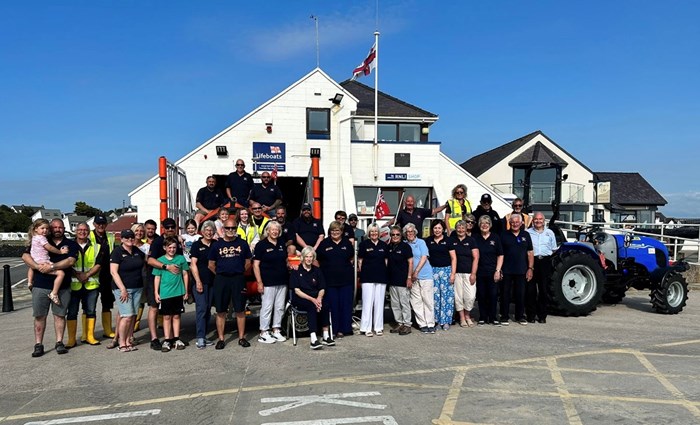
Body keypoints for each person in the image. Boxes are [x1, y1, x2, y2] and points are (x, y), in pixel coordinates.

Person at [22, 219, 78, 357]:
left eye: (60, 227)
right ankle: (38, 344)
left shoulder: (71, 244)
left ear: (64, 228)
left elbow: (70, 261)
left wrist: (51, 266)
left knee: (60, 316)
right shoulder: (40, 239)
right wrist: (37, 267)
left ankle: (59, 342)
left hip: (63, 287)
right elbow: (25, 255)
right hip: (40, 284)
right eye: (54, 227)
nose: (57, 229)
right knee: (39, 316)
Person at [208, 217, 253, 349]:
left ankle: (241, 338)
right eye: (227, 228)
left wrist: (238, 271)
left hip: (238, 279)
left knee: (240, 309)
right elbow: (211, 265)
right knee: (221, 310)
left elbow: (248, 261)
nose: (230, 230)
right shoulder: (217, 245)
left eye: (233, 228)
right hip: (221, 279)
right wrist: (222, 273)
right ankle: (221, 339)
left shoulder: (243, 243)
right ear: (223, 229)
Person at [146, 218, 183, 351]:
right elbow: (150, 260)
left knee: (173, 311)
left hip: (173, 282)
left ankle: (172, 338)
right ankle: (154, 338)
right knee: (154, 307)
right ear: (163, 228)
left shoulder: (177, 242)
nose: (170, 229)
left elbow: (180, 262)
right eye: (167, 227)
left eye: (172, 227)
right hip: (157, 278)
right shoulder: (157, 242)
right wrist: (165, 266)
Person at [66, 222, 103, 348]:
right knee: (72, 312)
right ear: (76, 231)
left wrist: (86, 275)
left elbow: (98, 264)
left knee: (90, 311)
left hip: (91, 285)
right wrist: (77, 274)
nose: (82, 232)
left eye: (85, 230)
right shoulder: (69, 245)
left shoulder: (97, 246)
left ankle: (90, 336)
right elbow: (65, 263)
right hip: (73, 285)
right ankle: (71, 339)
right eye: (80, 230)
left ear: (89, 231)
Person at [290, 246, 334, 349]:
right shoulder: (296, 271)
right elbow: (297, 290)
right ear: (303, 258)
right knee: (311, 306)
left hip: (315, 297)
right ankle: (313, 338)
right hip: (301, 298)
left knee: (325, 305)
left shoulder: (317, 270)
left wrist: (319, 298)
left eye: (311, 257)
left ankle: (326, 336)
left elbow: (322, 288)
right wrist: (312, 300)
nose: (309, 259)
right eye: (307, 257)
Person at [316, 221, 355, 338]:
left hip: (346, 281)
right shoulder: (324, 243)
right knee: (333, 306)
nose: (335, 233)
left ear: (341, 231)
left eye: (337, 230)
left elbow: (351, 258)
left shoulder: (347, 243)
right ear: (330, 232)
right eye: (333, 230)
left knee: (345, 305)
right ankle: (333, 329)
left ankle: (344, 330)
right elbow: (317, 259)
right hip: (329, 281)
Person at [109, 229, 146, 352]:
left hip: (137, 287)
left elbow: (146, 260)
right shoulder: (117, 252)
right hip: (123, 289)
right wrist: (123, 289)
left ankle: (129, 340)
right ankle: (121, 342)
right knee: (127, 316)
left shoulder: (137, 251)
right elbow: (113, 272)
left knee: (133, 315)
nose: (129, 239)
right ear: (122, 239)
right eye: (126, 237)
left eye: (131, 237)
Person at [253, 221, 288, 344]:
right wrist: (259, 282)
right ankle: (264, 332)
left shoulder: (282, 243)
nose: (274, 232)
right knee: (267, 307)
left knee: (279, 307)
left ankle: (276, 329)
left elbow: (285, 260)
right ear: (267, 231)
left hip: (282, 280)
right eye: (272, 229)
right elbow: (256, 265)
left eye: (277, 230)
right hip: (267, 282)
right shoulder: (261, 245)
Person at [152, 236, 189, 352]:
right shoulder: (160, 261)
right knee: (166, 317)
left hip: (178, 292)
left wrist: (186, 291)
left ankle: (176, 339)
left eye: (174, 247)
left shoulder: (181, 259)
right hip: (165, 293)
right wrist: (156, 292)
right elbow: (157, 277)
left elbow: (185, 274)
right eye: (169, 247)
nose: (172, 250)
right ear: (165, 248)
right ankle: (167, 339)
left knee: (177, 315)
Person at [499, 213, 534, 326]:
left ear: (521, 223)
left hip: (521, 270)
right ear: (509, 223)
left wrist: (530, 268)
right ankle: (504, 316)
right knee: (505, 294)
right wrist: (499, 269)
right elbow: (499, 254)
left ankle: (520, 316)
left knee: (520, 294)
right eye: (512, 222)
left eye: (517, 222)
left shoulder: (526, 235)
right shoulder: (503, 235)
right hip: (506, 269)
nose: (515, 224)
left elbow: (530, 253)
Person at [26, 218, 69, 304]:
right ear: (36, 229)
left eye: (47, 228)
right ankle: (54, 293)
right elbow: (49, 247)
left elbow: (30, 262)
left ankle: (29, 282)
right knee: (61, 274)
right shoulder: (42, 238)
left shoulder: (34, 238)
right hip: (43, 262)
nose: (45, 230)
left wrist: (35, 266)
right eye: (42, 228)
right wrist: (60, 252)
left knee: (31, 267)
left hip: (35, 260)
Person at [357, 223, 389, 337]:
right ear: (369, 233)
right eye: (372, 231)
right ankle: (366, 328)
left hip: (381, 277)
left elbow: (386, 261)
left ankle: (378, 327)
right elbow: (360, 261)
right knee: (367, 303)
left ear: (379, 233)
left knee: (379, 303)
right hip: (367, 277)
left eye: (376, 231)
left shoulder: (384, 245)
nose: (374, 233)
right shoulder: (364, 244)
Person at [526, 211, 558, 324]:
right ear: (533, 220)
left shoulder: (550, 233)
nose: (538, 221)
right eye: (536, 219)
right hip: (531, 262)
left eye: (540, 219)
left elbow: (554, 249)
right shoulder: (527, 232)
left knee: (544, 290)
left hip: (545, 261)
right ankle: (530, 315)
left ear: (544, 221)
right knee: (531, 290)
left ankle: (542, 315)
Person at [425, 219, 456, 330]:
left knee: (447, 297)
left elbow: (453, 258)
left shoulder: (448, 240)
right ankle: (437, 321)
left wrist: (453, 274)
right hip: (433, 271)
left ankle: (446, 321)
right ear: (432, 229)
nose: (437, 230)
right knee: (435, 297)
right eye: (435, 228)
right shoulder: (428, 240)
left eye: (439, 228)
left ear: (443, 229)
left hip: (446, 271)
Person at [190, 220, 217, 349]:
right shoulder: (196, 245)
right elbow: (193, 264)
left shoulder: (216, 244)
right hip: (201, 282)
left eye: (211, 230)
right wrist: (198, 281)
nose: (209, 232)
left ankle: (204, 336)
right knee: (201, 308)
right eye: (207, 230)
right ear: (202, 231)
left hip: (213, 282)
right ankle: (200, 337)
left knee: (207, 309)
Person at [404, 223, 435, 334]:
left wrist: (416, 271)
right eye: (408, 232)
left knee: (427, 300)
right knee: (416, 302)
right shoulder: (404, 244)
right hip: (412, 278)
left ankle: (430, 323)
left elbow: (424, 257)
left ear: (415, 232)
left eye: (412, 231)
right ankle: (422, 323)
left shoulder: (421, 242)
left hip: (425, 275)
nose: (410, 234)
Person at [90, 214, 116, 339]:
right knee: (90, 305)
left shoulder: (110, 236)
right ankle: (88, 334)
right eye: (98, 223)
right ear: (94, 224)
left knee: (107, 303)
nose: (101, 225)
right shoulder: (88, 236)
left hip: (107, 274)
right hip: (92, 274)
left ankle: (108, 330)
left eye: (103, 223)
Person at [474, 215, 503, 326]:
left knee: (493, 295)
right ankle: (482, 317)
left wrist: (498, 270)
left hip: (492, 271)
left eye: (487, 223)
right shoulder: (476, 238)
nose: (484, 225)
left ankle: (493, 317)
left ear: (490, 225)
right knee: (481, 295)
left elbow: (500, 255)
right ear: (479, 225)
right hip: (480, 271)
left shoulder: (495, 238)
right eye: (482, 223)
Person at [449, 220, 479, 327]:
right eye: (458, 228)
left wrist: (473, 273)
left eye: (463, 228)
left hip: (468, 273)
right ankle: (462, 318)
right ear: (456, 229)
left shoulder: (471, 241)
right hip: (456, 273)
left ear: (466, 229)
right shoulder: (452, 240)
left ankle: (467, 315)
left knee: (470, 296)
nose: (461, 230)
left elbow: (476, 258)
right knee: (458, 297)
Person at [386, 225, 413, 335]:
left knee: (404, 303)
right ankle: (399, 322)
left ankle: (407, 324)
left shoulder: (405, 247)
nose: (395, 236)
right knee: (395, 304)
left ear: (401, 235)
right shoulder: (389, 247)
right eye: (393, 234)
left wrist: (409, 277)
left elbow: (410, 262)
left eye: (397, 234)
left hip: (403, 280)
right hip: (392, 280)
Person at [131, 223, 150, 332]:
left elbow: (148, 261)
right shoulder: (128, 244)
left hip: (142, 275)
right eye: (137, 230)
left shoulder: (146, 246)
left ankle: (135, 324)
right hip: (129, 277)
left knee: (140, 301)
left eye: (141, 231)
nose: (139, 233)